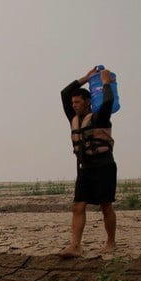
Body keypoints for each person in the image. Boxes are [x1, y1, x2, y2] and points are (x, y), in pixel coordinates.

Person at [59, 66, 118, 258]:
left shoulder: (100, 116)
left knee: (105, 206)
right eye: (72, 103)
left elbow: (108, 100)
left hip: (104, 166)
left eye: (77, 102)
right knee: (78, 205)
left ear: (88, 102)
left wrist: (106, 83)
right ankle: (75, 245)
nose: (73, 105)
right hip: (85, 169)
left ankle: (110, 242)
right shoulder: (73, 118)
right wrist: (86, 77)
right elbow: (64, 92)